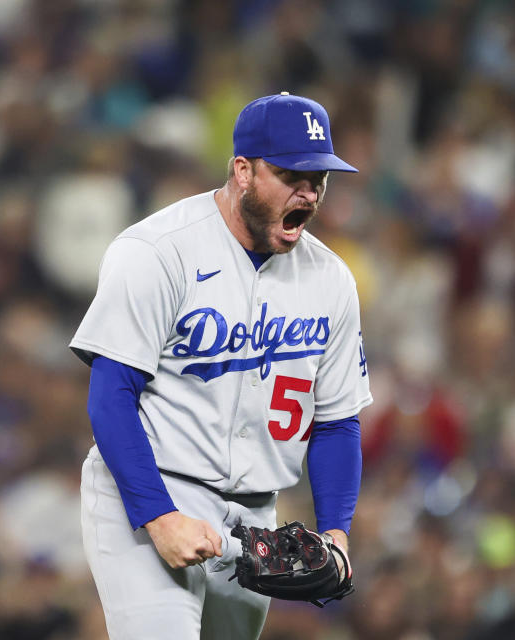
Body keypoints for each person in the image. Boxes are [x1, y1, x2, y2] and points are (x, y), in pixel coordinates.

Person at [69, 92, 373, 639]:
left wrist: (336, 535)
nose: (308, 191)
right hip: (151, 487)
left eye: (318, 179)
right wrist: (159, 517)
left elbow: (336, 421)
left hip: (256, 520)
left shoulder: (330, 280)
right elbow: (110, 395)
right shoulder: (159, 251)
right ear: (243, 171)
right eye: (290, 175)